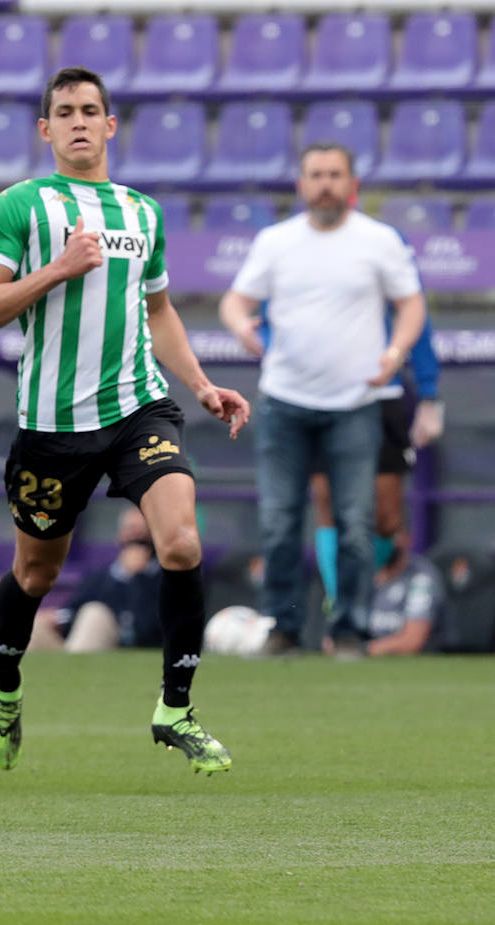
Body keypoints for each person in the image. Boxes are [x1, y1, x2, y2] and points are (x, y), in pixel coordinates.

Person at [0, 66, 250, 776]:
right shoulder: (20, 206)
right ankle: (3, 687)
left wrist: (203, 383)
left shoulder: (142, 213)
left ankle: (175, 707)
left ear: (111, 124)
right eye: (66, 111)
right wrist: (56, 271)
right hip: (53, 427)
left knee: (179, 541)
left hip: (137, 407)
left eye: (92, 110)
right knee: (35, 573)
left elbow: (158, 310)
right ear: (46, 129)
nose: (80, 121)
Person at [220, 143, 426, 654]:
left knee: (356, 525)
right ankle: (283, 628)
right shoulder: (276, 241)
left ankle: (351, 629)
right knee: (280, 522)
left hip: (355, 405)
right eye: (316, 174)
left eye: (335, 174)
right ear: (301, 184)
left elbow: (412, 304)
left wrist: (396, 350)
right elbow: (236, 299)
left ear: (352, 182)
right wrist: (240, 325)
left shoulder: (379, 241)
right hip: (284, 402)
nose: (325, 183)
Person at [310, 317, 441, 614]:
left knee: (386, 518)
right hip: (318, 395)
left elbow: (414, 314)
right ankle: (341, 602)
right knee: (326, 499)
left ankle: (368, 597)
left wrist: (429, 395)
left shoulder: (394, 269)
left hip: (381, 395)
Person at [29, 507, 162, 653]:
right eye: (131, 529)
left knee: (95, 614)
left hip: (126, 648)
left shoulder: (164, 579)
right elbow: (73, 610)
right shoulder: (101, 576)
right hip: (81, 645)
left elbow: (147, 626)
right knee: (35, 624)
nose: (137, 535)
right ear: (120, 535)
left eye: (143, 530)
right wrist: (58, 617)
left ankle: (75, 670)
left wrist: (137, 576)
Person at [329, 529, 444, 657]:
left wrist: (362, 648)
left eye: (390, 534)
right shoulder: (362, 574)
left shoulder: (421, 577)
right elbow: (332, 640)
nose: (382, 541)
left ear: (406, 538)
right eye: (377, 534)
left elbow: (412, 641)